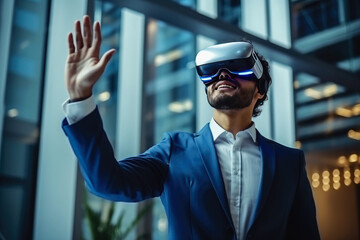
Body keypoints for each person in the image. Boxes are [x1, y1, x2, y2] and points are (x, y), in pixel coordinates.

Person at [62, 16, 320, 240]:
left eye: (236, 68)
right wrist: (81, 98)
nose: (222, 75)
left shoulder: (290, 162)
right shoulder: (174, 150)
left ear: (260, 91)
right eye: (213, 70)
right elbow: (107, 182)